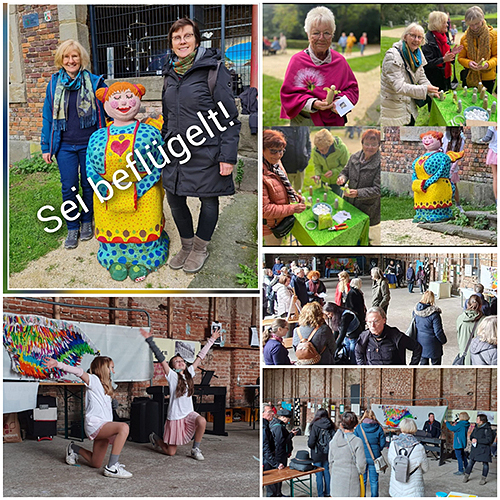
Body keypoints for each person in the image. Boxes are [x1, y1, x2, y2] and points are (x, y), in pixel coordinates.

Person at [162, 18, 240, 273]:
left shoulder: (213, 70)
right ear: (172, 43)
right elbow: (168, 115)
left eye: (187, 36)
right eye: (177, 38)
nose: (182, 42)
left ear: (196, 39)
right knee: (174, 198)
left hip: (207, 149)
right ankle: (186, 245)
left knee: (208, 200)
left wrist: (227, 156)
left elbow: (229, 117)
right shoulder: (169, 73)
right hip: (176, 151)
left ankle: (200, 248)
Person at [86, 82, 169, 281]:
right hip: (109, 194)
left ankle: (145, 259)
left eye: (128, 96)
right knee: (111, 225)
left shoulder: (150, 133)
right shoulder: (97, 136)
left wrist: (143, 186)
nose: (123, 102)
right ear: (105, 104)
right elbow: (89, 164)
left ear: (138, 100)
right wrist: (100, 185)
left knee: (146, 221)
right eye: (116, 98)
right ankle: (114, 258)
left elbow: (160, 161)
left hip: (144, 191)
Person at [41, 39, 107, 250]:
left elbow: (110, 109)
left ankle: (87, 221)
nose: (71, 60)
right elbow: (47, 118)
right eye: (67, 56)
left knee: (89, 184)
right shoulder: (53, 84)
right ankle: (72, 226)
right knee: (69, 186)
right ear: (61, 59)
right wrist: (46, 147)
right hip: (65, 146)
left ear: (81, 59)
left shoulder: (96, 82)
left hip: (90, 144)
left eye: (75, 56)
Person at [42, 356, 132, 478]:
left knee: (95, 463)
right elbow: (78, 372)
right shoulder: (94, 380)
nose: (113, 372)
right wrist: (58, 364)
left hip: (105, 426)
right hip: (95, 425)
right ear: (103, 369)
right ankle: (112, 467)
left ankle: (73, 448)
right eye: (112, 368)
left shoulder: (106, 387)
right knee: (124, 427)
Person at [141, 327, 219, 460]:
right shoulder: (171, 376)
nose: (181, 362)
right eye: (177, 361)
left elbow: (200, 356)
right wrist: (150, 340)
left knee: (202, 421)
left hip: (188, 413)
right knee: (170, 452)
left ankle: (195, 448)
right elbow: (160, 357)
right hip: (176, 416)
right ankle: (155, 438)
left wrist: (212, 340)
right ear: (173, 367)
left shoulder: (189, 373)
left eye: (182, 360)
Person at [280, 6, 359, 126]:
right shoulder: (297, 61)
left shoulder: (340, 61)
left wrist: (339, 101)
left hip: (335, 120)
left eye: (326, 33)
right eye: (316, 33)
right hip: (306, 121)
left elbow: (352, 89)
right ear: (308, 34)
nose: (321, 38)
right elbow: (289, 95)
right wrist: (313, 103)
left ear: (332, 35)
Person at [381, 23, 440, 126]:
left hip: (408, 104)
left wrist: (432, 91)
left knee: (410, 125)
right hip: (394, 106)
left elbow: (421, 76)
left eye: (419, 37)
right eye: (412, 35)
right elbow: (399, 87)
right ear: (405, 36)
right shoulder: (392, 56)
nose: (416, 40)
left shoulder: (417, 53)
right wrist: (425, 90)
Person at [337, 129, 381, 245]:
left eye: (373, 144)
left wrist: (358, 193)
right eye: (366, 144)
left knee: (363, 231)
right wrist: (342, 178)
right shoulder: (354, 157)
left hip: (367, 205)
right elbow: (345, 172)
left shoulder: (381, 163)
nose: (369, 147)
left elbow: (378, 189)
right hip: (350, 202)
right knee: (350, 225)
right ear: (362, 143)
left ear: (379, 145)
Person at [263, 129, 306, 246]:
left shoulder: (275, 162)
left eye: (281, 151)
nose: (278, 155)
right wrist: (293, 209)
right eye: (273, 151)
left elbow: (283, 183)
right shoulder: (262, 174)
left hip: (280, 218)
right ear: (262, 150)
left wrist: (293, 195)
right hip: (270, 226)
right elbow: (265, 210)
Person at [411, 131, 463, 224]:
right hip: (421, 186)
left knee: (435, 195)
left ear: (439, 141)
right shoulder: (421, 158)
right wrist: (416, 181)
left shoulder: (443, 157)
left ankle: (438, 215)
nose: (427, 141)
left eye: (430, 138)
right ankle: (421, 215)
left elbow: (440, 172)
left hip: (437, 185)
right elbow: (415, 170)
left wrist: (428, 182)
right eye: (425, 138)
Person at [356, 307, 422, 365]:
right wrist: (363, 368)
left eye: (376, 321)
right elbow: (358, 353)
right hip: (373, 376)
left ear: (384, 320)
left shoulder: (396, 336)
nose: (372, 326)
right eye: (369, 322)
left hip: (393, 376)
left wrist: (411, 368)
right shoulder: (364, 337)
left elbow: (417, 347)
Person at [457, 6, 497, 94]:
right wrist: (469, 63)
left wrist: (488, 64)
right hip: (470, 76)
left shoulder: (493, 35)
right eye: (471, 25)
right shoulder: (464, 38)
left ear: (482, 19)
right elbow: (460, 58)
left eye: (477, 23)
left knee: (485, 103)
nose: (474, 27)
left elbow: (496, 56)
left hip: (488, 77)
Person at [387, 418, 429, 497]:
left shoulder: (393, 444)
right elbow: (426, 468)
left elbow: (390, 460)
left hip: (396, 485)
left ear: (401, 428)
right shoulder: (419, 447)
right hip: (413, 489)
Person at [329, 412, 366, 497]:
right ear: (356, 425)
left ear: (341, 425)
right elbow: (361, 465)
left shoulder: (333, 441)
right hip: (351, 480)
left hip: (336, 479)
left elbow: (330, 462)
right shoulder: (357, 442)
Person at [422, 11, 459, 95]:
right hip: (434, 80)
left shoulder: (444, 36)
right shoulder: (427, 40)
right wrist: (443, 60)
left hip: (446, 77)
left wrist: (452, 54)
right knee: (434, 105)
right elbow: (426, 64)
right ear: (437, 24)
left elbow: (447, 57)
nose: (447, 25)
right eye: (445, 23)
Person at [354, 410, 386, 497]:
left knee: (362, 480)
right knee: (374, 481)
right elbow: (383, 443)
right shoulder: (379, 428)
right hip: (374, 457)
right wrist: (377, 449)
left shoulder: (359, 428)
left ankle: (362, 497)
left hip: (362, 456)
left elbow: (354, 442)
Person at [412, 290, 447, 365]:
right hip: (433, 344)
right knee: (436, 366)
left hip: (420, 342)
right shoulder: (434, 314)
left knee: (423, 365)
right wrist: (443, 340)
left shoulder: (415, 311)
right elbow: (438, 331)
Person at [272, 126, 311, 193]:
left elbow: (308, 143)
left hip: (300, 167)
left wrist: (307, 157)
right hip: (285, 169)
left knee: (298, 192)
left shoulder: (304, 126)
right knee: (284, 193)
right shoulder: (278, 127)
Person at [312, 129, 350, 195]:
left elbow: (346, 167)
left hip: (337, 181)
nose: (320, 152)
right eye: (318, 148)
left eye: (323, 150)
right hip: (324, 181)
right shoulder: (316, 150)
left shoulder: (341, 149)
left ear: (329, 145)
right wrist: (318, 175)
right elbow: (317, 165)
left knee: (336, 200)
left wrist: (334, 172)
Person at [308, 408, 336, 497]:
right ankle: (328, 492)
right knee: (327, 472)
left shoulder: (315, 425)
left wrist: (312, 446)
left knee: (318, 474)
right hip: (327, 452)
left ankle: (320, 495)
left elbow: (311, 442)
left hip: (317, 453)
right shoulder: (331, 424)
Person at [463, 414, 495, 485]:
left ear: (482, 421)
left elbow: (489, 440)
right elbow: (471, 436)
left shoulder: (487, 429)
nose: (476, 420)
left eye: (478, 419)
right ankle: (466, 476)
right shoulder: (476, 427)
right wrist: (472, 439)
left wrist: (477, 440)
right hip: (475, 449)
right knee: (470, 462)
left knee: (485, 464)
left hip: (484, 449)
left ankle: (483, 478)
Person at [263, 404, 285, 497]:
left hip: (270, 459)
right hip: (267, 461)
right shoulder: (264, 428)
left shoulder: (267, 425)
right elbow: (265, 448)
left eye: (272, 411)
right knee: (271, 488)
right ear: (262, 414)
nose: (272, 414)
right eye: (269, 412)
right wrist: (276, 463)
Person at [442, 127, 466, 211]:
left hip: (453, 166)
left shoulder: (461, 140)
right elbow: (443, 150)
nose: (455, 134)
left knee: (454, 185)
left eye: (457, 132)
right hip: (444, 164)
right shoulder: (446, 137)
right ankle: (444, 204)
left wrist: (452, 169)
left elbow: (458, 155)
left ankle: (458, 205)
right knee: (443, 184)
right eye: (453, 132)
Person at [456, 294, 484, 365]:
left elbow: (458, 334)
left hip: (463, 351)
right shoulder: (484, 321)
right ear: (481, 306)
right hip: (477, 355)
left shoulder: (460, 318)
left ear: (468, 304)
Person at [269, 409, 298, 474]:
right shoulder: (278, 427)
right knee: (279, 474)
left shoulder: (275, 424)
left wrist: (289, 433)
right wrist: (291, 435)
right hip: (280, 455)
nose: (288, 420)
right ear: (282, 417)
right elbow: (281, 442)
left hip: (278, 453)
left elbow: (282, 437)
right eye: (287, 418)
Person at [478, 127, 497, 200]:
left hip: (495, 152)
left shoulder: (492, 126)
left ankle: (497, 201)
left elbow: (488, 137)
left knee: (496, 177)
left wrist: (481, 139)